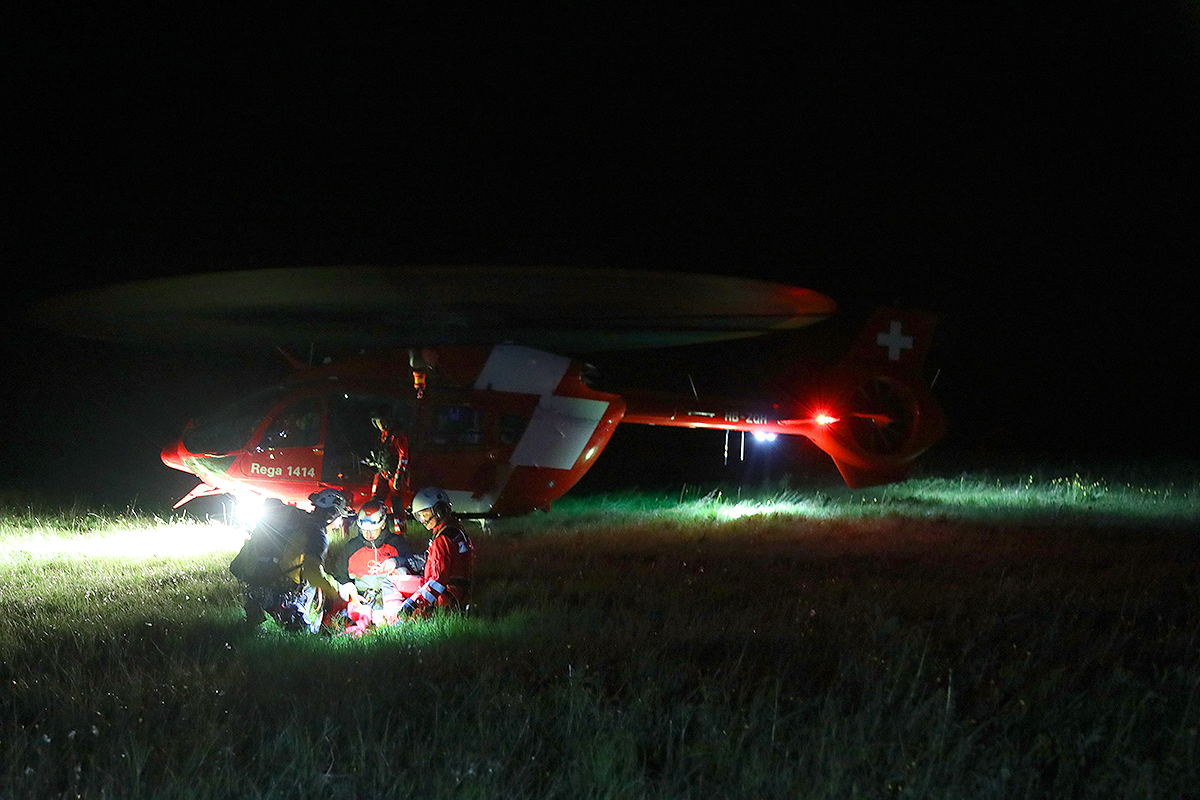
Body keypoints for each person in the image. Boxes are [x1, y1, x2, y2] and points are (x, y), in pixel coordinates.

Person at [229, 490, 357, 632]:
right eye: (340, 518)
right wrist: (337, 592)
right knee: (302, 633)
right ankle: (291, 616)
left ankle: (254, 615)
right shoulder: (317, 536)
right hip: (280, 593)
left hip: (255, 585)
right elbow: (313, 574)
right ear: (332, 515)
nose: (339, 524)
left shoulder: (300, 522)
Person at [332, 498, 424, 633]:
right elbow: (340, 577)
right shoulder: (351, 548)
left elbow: (415, 564)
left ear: (382, 525)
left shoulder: (397, 544)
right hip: (362, 600)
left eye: (373, 530)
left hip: (390, 599)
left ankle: (392, 622)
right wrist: (351, 593)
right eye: (364, 530)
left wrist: (397, 561)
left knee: (403, 571)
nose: (368, 535)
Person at [393, 486, 474, 618]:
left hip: (445, 598)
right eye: (419, 516)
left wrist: (413, 604)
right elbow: (431, 560)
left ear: (439, 511)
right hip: (457, 595)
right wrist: (403, 562)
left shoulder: (442, 539)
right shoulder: (454, 531)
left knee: (392, 582)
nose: (422, 520)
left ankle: (395, 619)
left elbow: (438, 580)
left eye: (425, 514)